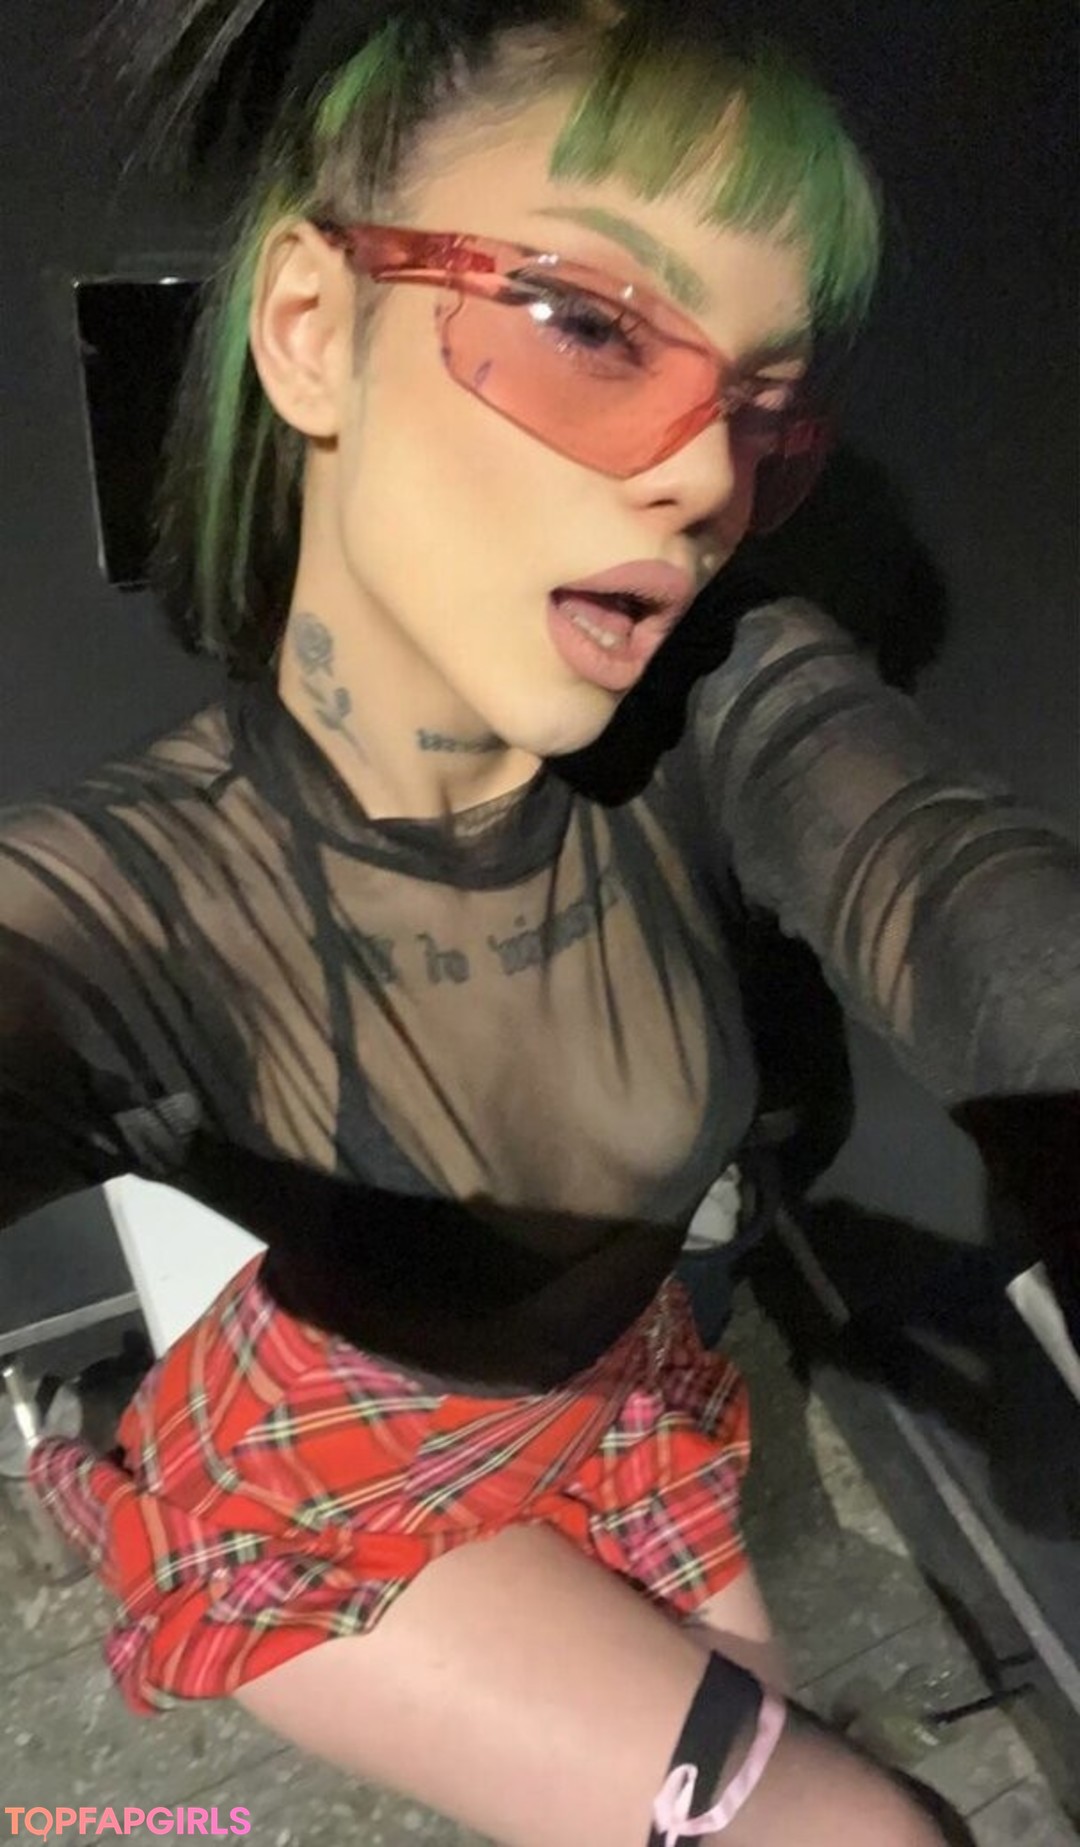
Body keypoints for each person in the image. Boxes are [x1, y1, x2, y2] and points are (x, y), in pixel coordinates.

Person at [2, 2, 1077, 1841]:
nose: (704, 477)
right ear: (312, 328)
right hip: (340, 1492)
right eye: (589, 324)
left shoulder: (716, 694)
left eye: (761, 413)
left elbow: (949, 882)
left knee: (763, 1751)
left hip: (622, 1401)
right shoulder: (142, 898)